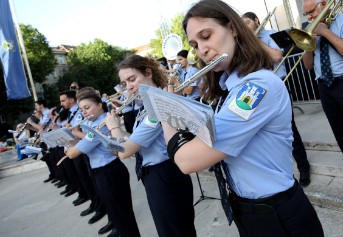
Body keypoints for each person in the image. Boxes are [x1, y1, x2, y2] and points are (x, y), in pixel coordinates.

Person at [160, 0, 324, 236]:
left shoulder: (256, 88)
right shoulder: (232, 88)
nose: (202, 50)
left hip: (277, 214)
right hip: (248, 208)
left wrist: (166, 112)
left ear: (233, 29)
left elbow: (187, 161)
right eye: (195, 44)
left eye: (207, 36)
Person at [104, 54, 196, 237]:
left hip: (165, 176)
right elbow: (135, 141)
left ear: (148, 72)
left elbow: (124, 152)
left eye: (132, 79)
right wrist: (119, 134)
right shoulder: (145, 106)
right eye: (124, 83)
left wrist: (114, 128)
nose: (129, 87)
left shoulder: (157, 104)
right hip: (155, 176)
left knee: (175, 232)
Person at [242, 11, 311, 186]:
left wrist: (254, 40)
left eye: (247, 23)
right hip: (258, 89)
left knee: (290, 128)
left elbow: (276, 56)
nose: (245, 27)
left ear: (256, 20)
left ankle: (303, 167)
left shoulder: (270, 34)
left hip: (277, 84)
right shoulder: (244, 43)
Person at [302, 0, 343, 199]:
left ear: (324, 4)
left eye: (311, 12)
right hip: (325, 87)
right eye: (306, 14)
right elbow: (307, 66)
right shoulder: (310, 31)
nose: (309, 17)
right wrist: (309, 44)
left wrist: (326, 32)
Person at [65, 89, 140, 237]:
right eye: (81, 109)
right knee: (117, 214)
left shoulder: (100, 125)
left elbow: (74, 153)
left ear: (100, 105)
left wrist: (68, 147)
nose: (84, 112)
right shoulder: (95, 124)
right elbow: (83, 143)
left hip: (109, 171)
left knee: (124, 218)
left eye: (87, 108)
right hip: (103, 171)